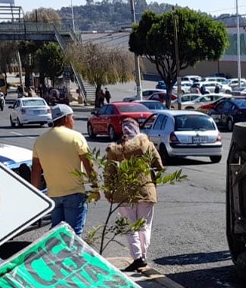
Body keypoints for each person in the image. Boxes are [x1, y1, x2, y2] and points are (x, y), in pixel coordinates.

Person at [105, 118, 164, 272]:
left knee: (130, 226)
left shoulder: (115, 149)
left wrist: (108, 191)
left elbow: (109, 173)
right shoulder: (148, 145)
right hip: (146, 191)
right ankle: (143, 256)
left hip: (124, 193)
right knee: (144, 225)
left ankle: (137, 257)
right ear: (137, 129)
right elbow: (159, 165)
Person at [31, 104, 95, 236]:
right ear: (66, 118)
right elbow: (88, 164)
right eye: (73, 117)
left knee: (57, 235)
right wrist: (96, 187)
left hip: (53, 195)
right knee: (74, 234)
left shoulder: (40, 140)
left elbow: (36, 170)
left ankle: (58, 256)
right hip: (74, 193)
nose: (74, 120)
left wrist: (35, 195)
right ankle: (72, 257)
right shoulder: (76, 137)